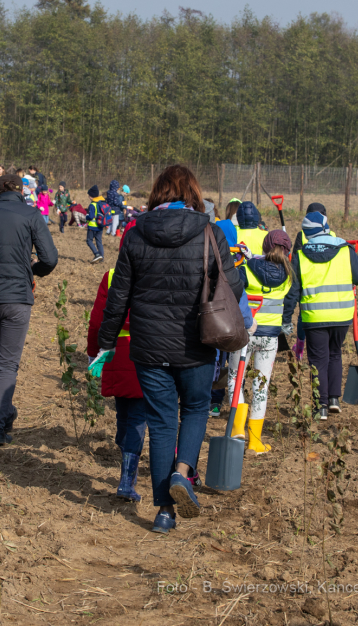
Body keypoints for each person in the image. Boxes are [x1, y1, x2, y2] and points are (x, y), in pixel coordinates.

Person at [97, 165, 252, 534]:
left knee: (162, 423)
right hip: (196, 345)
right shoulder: (210, 233)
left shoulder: (134, 236)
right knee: (196, 409)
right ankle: (183, 473)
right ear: (193, 194)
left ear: (157, 194)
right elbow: (234, 287)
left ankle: (164, 511)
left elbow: (118, 297)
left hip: (148, 348)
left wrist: (105, 343)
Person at [0, 173, 58, 445]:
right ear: (21, 191)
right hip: (17, 297)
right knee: (7, 363)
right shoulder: (30, 215)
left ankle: (5, 413)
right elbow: (50, 259)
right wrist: (31, 270)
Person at [288, 211, 358, 420]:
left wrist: (286, 317)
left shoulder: (301, 255)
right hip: (342, 314)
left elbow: (293, 290)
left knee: (317, 360)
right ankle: (333, 399)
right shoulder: (344, 249)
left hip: (314, 317)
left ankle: (320, 406)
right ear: (326, 227)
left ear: (306, 233)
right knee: (335, 353)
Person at [228, 229, 297, 453]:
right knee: (261, 385)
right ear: (287, 252)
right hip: (270, 337)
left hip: (245, 332)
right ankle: (255, 441)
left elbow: (235, 289)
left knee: (234, 379)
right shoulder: (288, 276)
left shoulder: (247, 269)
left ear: (265, 247)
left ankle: (237, 429)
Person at [87, 260, 147, 501]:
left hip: (117, 352)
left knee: (123, 412)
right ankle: (127, 480)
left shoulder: (111, 276)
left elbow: (97, 321)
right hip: (149, 353)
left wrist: (94, 355)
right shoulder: (157, 269)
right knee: (137, 419)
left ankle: (125, 458)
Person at [291, 202, 336, 361]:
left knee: (303, 314)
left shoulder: (301, 235)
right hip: (327, 279)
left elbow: (295, 258)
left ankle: (300, 347)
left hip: (307, 280)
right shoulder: (333, 234)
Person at [86, 185, 107, 263]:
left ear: (91, 196)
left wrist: (86, 216)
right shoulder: (101, 203)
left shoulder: (92, 205)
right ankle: (102, 258)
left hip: (92, 226)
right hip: (100, 226)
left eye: (89, 195)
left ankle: (97, 254)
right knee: (99, 242)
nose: (88, 196)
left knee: (89, 240)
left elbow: (90, 216)